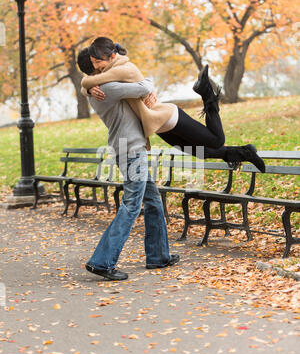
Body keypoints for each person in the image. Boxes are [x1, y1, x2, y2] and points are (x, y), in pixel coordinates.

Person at [78, 37, 265, 172]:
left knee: (216, 141)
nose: (96, 67)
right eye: (93, 63)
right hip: (159, 123)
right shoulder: (108, 73)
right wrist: (87, 88)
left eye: (97, 62)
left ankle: (208, 95)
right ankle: (244, 153)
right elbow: (94, 81)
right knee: (201, 152)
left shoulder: (120, 69)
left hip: (166, 115)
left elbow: (92, 81)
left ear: (110, 56)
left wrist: (85, 86)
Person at [76, 47, 180, 282]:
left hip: (130, 148)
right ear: (95, 67)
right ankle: (102, 261)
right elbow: (143, 86)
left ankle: (158, 256)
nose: (105, 64)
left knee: (152, 200)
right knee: (132, 205)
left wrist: (85, 86)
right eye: (100, 61)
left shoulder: (95, 88)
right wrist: (150, 82)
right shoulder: (106, 88)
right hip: (131, 150)